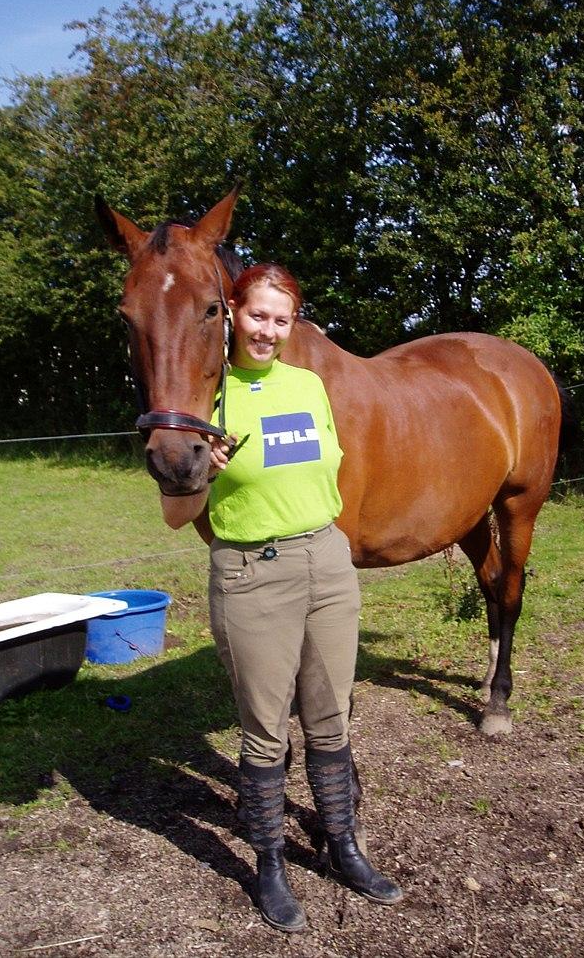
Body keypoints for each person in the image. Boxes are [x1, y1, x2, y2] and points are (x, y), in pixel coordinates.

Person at [161, 264, 402, 932]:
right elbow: (176, 518)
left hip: (327, 560)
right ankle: (269, 862)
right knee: (266, 731)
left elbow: (324, 467)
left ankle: (344, 846)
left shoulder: (308, 386)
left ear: (293, 323)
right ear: (234, 312)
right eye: (258, 315)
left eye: (281, 318)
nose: (268, 330)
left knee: (331, 718)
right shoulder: (209, 395)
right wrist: (203, 469)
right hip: (251, 571)